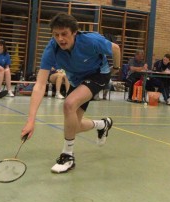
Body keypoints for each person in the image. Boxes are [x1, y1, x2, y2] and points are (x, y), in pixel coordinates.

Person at [21, 13, 120, 173]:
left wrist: (116, 68)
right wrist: (31, 120)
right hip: (76, 80)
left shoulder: (91, 40)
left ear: (74, 32)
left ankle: (68, 156)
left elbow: (115, 48)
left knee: (69, 104)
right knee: (73, 127)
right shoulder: (51, 49)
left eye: (64, 34)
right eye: (56, 35)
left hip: (98, 74)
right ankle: (102, 124)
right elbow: (39, 85)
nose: (60, 39)